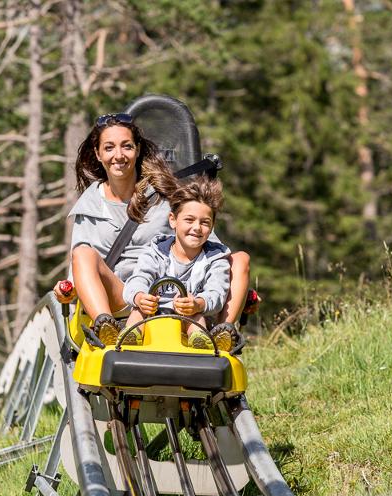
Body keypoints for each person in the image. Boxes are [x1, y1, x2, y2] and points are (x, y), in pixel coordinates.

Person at [53, 112, 252, 346]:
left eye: (126, 146)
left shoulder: (165, 195)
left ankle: (222, 333)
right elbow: (78, 271)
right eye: (109, 148)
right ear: (98, 154)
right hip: (124, 297)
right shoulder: (90, 206)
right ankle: (106, 328)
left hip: (176, 292)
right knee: (82, 253)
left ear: (137, 150)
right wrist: (66, 291)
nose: (118, 155)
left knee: (239, 259)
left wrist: (201, 298)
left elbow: (210, 246)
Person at [120, 177, 232, 349]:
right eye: (189, 220)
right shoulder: (155, 251)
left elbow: (217, 292)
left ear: (212, 226)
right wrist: (140, 297)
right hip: (154, 315)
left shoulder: (216, 258)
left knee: (197, 318)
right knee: (138, 311)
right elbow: (139, 278)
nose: (197, 227)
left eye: (204, 223)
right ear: (173, 220)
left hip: (190, 317)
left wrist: (198, 303)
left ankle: (200, 345)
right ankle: (129, 338)